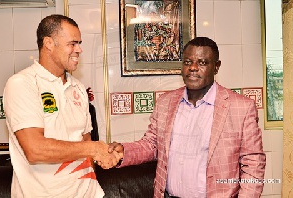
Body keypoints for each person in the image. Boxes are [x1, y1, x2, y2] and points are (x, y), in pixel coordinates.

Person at [108, 37, 266, 198]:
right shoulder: (165, 102)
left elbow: (253, 163)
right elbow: (152, 145)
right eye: (187, 62)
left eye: (202, 63)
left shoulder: (241, 107)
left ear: (216, 67)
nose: (193, 68)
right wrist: (124, 151)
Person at [3, 14, 120, 198]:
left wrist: (106, 155)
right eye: (72, 44)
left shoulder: (78, 88)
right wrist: (93, 149)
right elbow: (34, 150)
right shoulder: (22, 83)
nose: (79, 49)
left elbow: (86, 142)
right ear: (49, 43)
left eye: (79, 43)